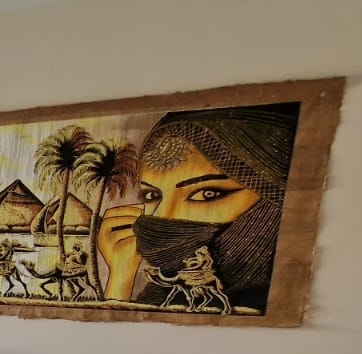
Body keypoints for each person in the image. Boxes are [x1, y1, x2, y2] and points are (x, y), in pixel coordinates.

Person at [96, 103, 299, 312]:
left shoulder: (285, 305)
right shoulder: (160, 296)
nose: (165, 216)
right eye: (152, 195)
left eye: (207, 194)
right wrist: (121, 275)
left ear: (278, 195)